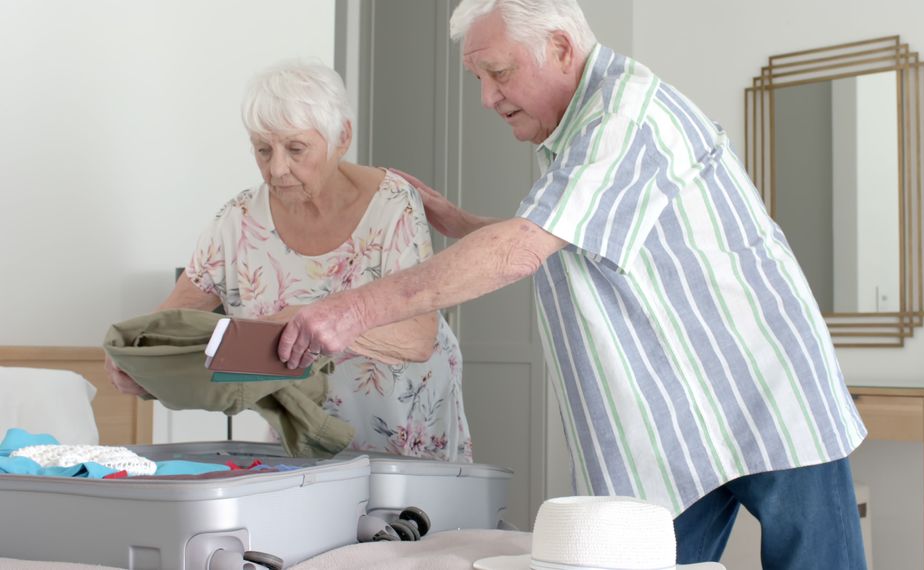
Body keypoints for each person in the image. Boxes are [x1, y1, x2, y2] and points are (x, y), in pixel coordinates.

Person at [277, 1, 867, 567]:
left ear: (560, 47)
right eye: (478, 78)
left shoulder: (624, 117)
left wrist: (350, 311)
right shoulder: (577, 132)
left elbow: (524, 250)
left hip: (766, 385)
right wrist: (461, 224)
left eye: (498, 73)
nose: (486, 98)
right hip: (674, 417)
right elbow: (576, 242)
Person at [105, 61, 472, 463]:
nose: (276, 168)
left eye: (296, 149)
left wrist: (319, 320)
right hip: (303, 434)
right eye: (263, 149)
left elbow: (418, 337)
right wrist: (134, 360)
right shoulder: (237, 222)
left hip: (407, 427)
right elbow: (169, 324)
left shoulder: (392, 203)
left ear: (341, 137)